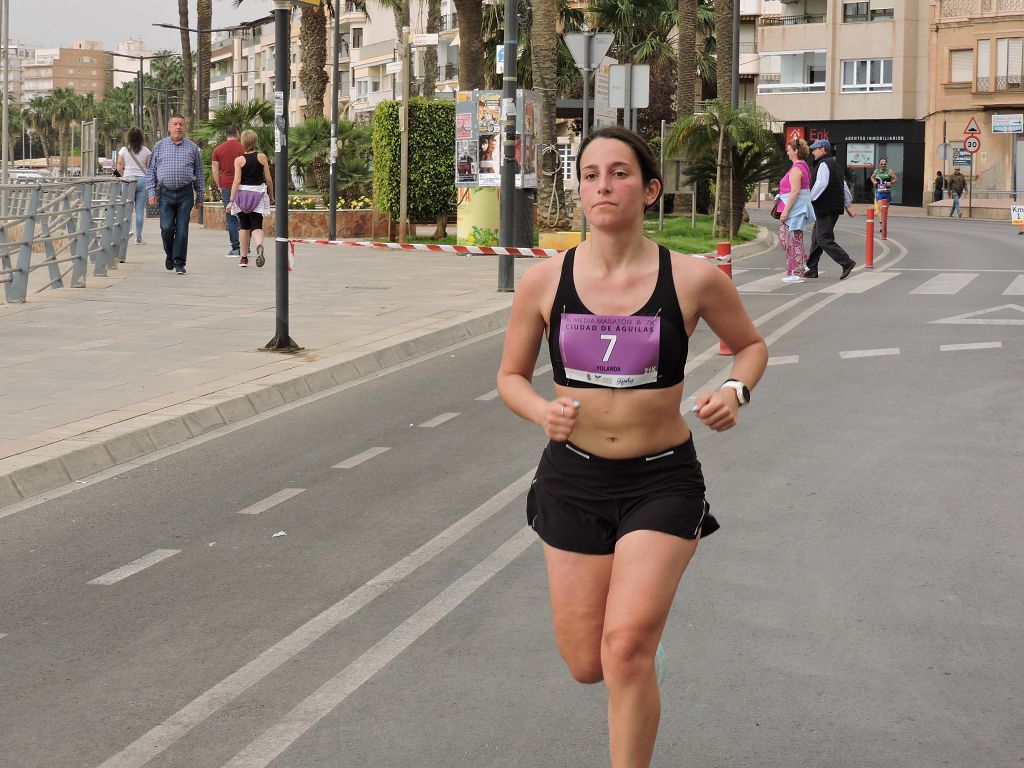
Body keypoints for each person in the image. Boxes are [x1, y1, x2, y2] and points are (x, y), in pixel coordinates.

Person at [496, 125, 768, 768]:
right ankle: (636, 653)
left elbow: (750, 347)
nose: (602, 185)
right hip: (572, 478)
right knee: (588, 664)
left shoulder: (695, 279)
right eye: (590, 174)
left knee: (622, 649)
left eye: (619, 173)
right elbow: (509, 377)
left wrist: (735, 390)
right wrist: (543, 411)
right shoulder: (543, 282)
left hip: (662, 480)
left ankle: (635, 650)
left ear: (649, 190)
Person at [146, 115, 203, 275]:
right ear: (169, 128)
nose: (178, 127)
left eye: (181, 124)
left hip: (185, 194)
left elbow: (199, 172)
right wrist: (151, 192)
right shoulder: (159, 146)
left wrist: (200, 196)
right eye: (175, 124)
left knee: (182, 229)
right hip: (165, 193)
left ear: (185, 127)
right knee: (166, 228)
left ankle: (179, 262)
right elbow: (151, 171)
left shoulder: (193, 148)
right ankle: (169, 254)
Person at [804, 139, 857, 281]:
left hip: (826, 208)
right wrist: (848, 205)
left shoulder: (824, 164)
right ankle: (812, 268)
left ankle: (846, 262)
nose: (813, 152)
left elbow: (820, 185)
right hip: (830, 207)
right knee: (816, 238)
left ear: (823, 149)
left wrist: (808, 201)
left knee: (823, 239)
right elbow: (843, 185)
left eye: (815, 149)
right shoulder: (833, 163)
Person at [228, 129, 274, 268]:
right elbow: (268, 179)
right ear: (255, 141)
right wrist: (271, 194)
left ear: (243, 142)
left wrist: (231, 200)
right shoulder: (262, 157)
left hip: (243, 195)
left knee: (244, 226)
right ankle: (259, 245)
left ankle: (243, 258)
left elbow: (236, 181)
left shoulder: (239, 160)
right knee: (256, 225)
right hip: (259, 194)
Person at [775, 137, 815, 283]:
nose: (787, 153)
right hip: (797, 209)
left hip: (795, 210)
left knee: (793, 240)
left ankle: (796, 271)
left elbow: (795, 191)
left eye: (789, 150)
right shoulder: (802, 166)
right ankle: (801, 263)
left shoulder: (797, 168)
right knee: (788, 239)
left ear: (796, 151)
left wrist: (785, 211)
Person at [211, 125, 245, 257]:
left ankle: (235, 248)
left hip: (226, 185)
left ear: (226, 134)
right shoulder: (243, 147)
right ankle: (246, 247)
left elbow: (215, 170)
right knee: (243, 216)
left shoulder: (218, 150)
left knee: (231, 218)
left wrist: (220, 184)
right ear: (237, 133)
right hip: (243, 185)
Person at [116, 127, 151, 246]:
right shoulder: (146, 151)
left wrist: (118, 177)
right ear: (141, 137)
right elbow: (149, 167)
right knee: (140, 210)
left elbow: (120, 166)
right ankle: (138, 238)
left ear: (129, 137)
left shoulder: (124, 150)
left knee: (128, 209)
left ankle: (129, 231)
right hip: (142, 180)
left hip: (128, 180)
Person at [870, 157, 897, 221]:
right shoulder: (876, 171)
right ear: (879, 164)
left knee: (885, 210)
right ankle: (882, 223)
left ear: (886, 164)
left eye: (884, 164)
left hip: (887, 193)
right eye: (881, 164)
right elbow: (872, 177)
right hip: (879, 193)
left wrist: (890, 182)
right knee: (882, 208)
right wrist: (874, 181)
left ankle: (883, 224)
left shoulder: (889, 171)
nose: (883, 165)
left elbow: (895, 179)